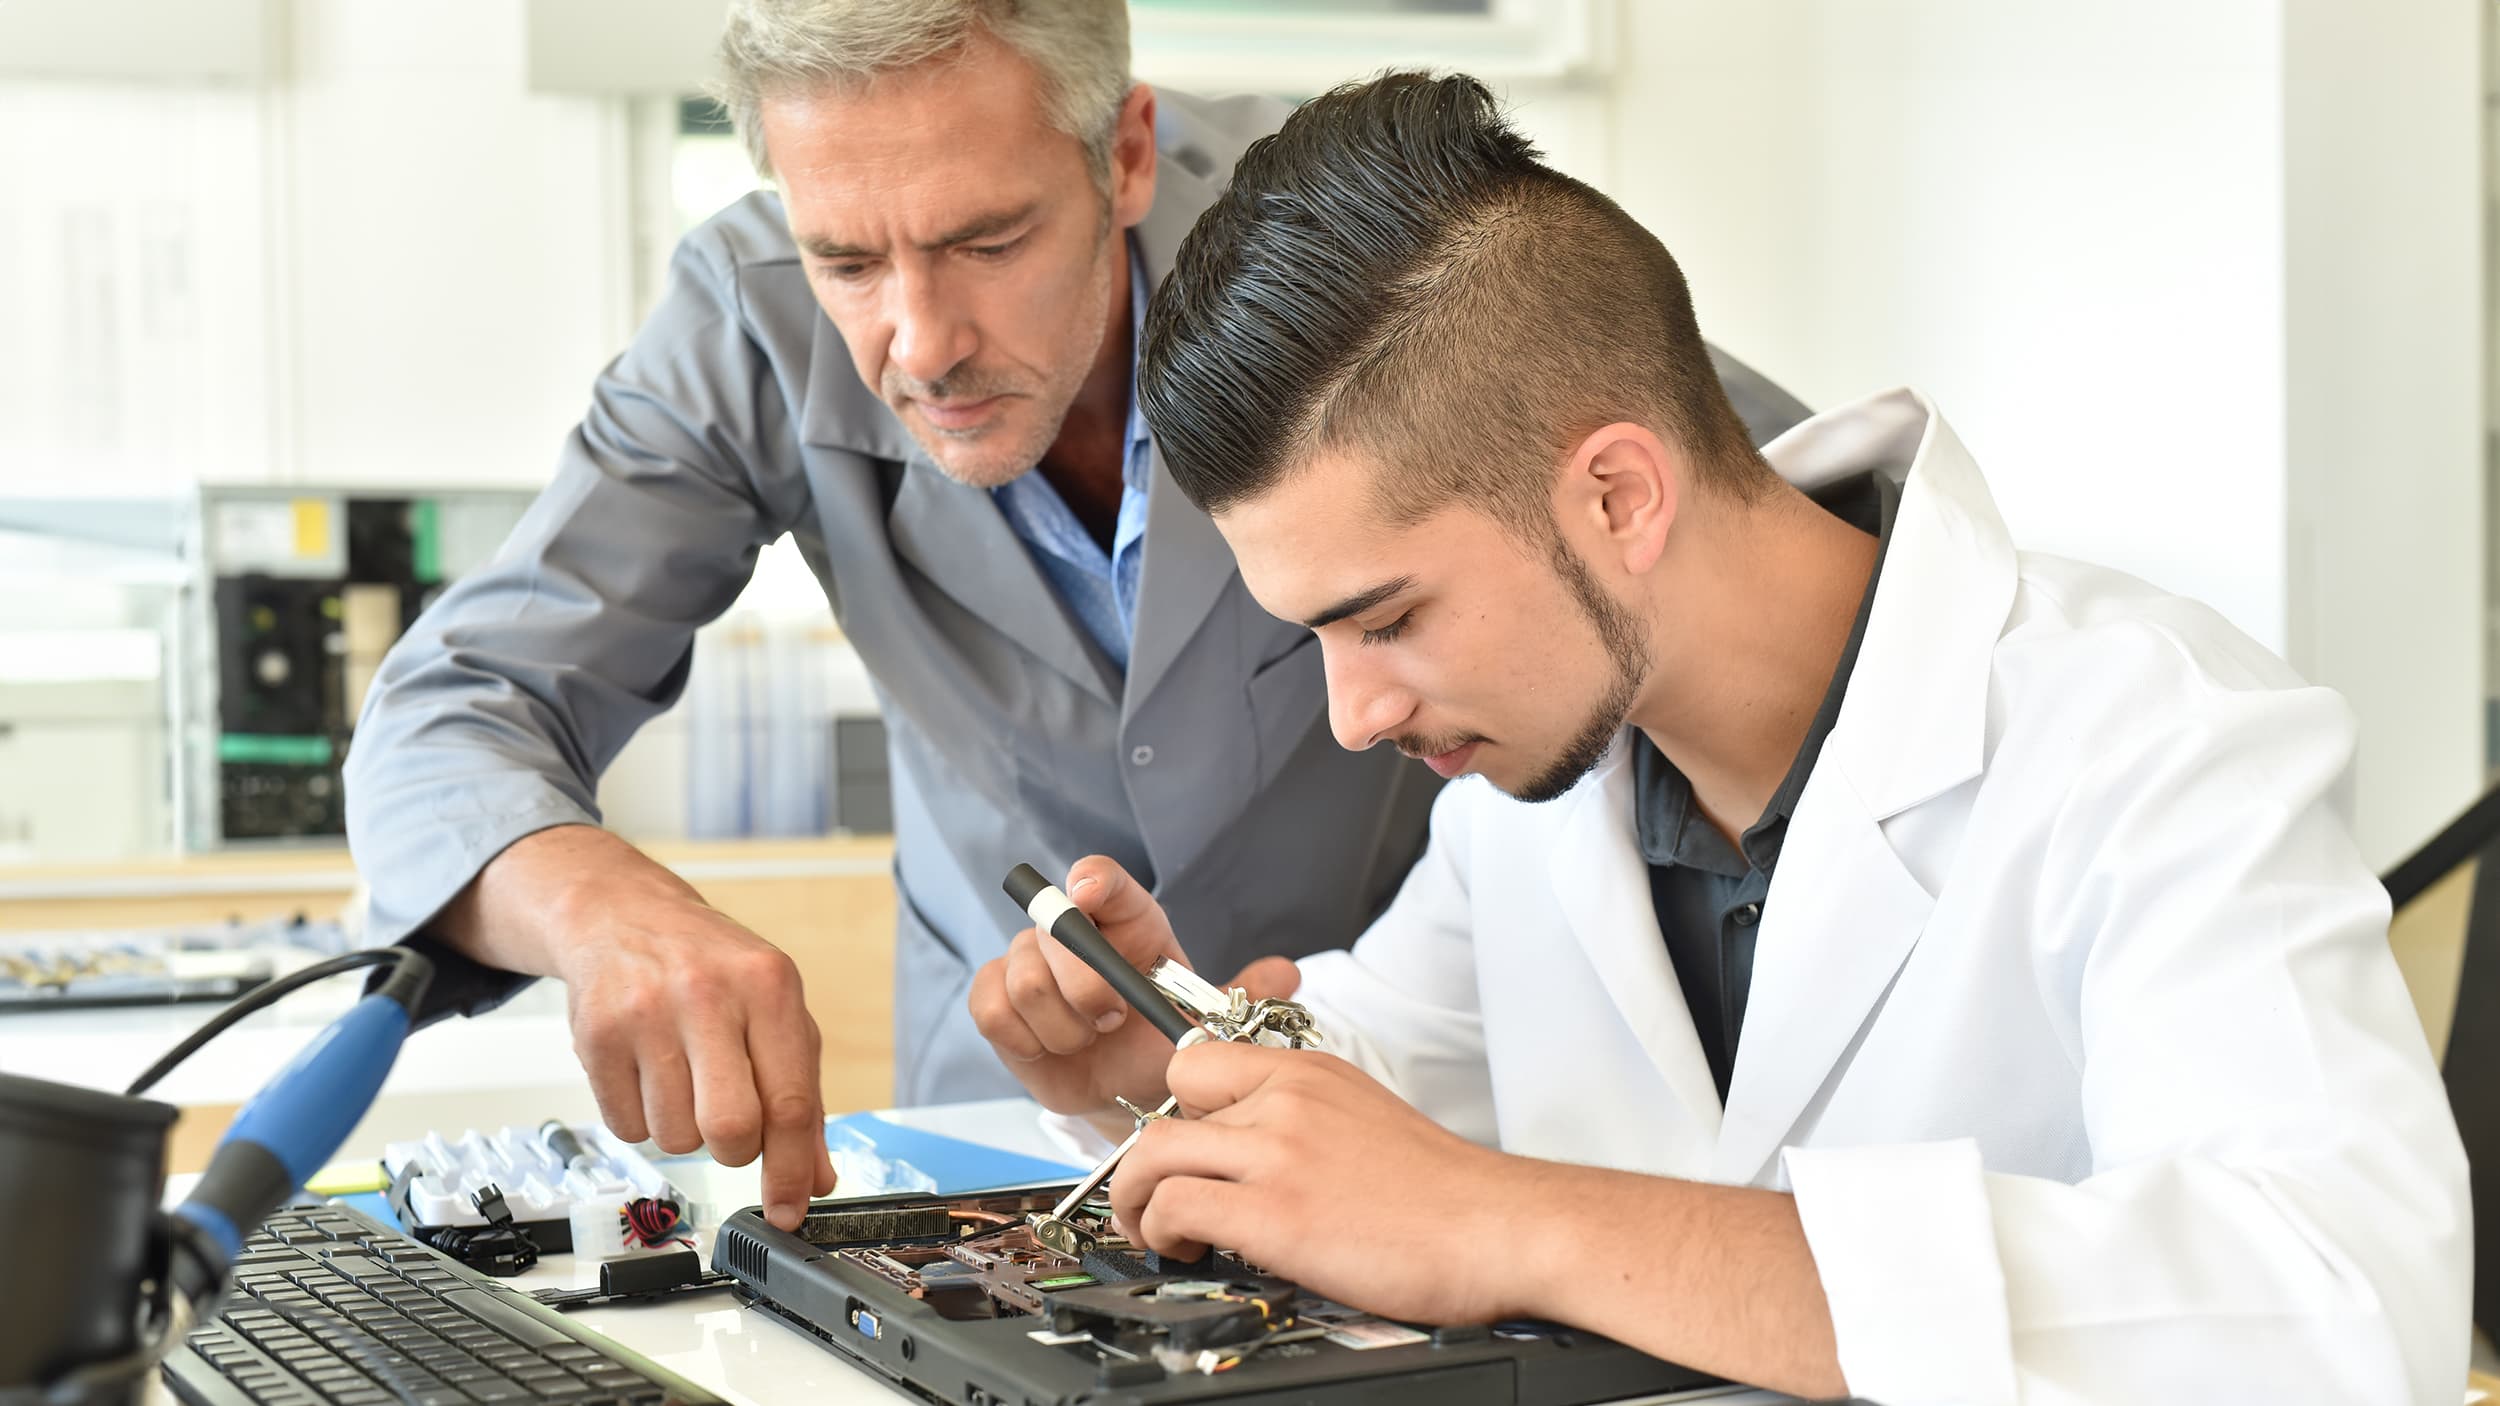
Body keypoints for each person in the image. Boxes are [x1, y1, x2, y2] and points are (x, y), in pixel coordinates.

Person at [968, 72, 2471, 1402]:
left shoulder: (2161, 738)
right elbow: (1399, 1060)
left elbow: (2342, 1305)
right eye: (1319, 642)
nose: (1356, 715)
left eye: (1387, 617)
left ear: (1618, 496)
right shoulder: (1533, 787)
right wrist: (1171, 1041)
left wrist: (1511, 1219)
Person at [340, 0, 1817, 1233]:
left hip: (1388, 1082)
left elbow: (1745, 503)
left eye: (988, 238)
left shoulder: (1329, 254)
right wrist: (606, 911)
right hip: (1012, 1110)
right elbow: (448, 713)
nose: (917, 340)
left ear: (1123, 153)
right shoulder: (746, 317)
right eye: (849, 260)